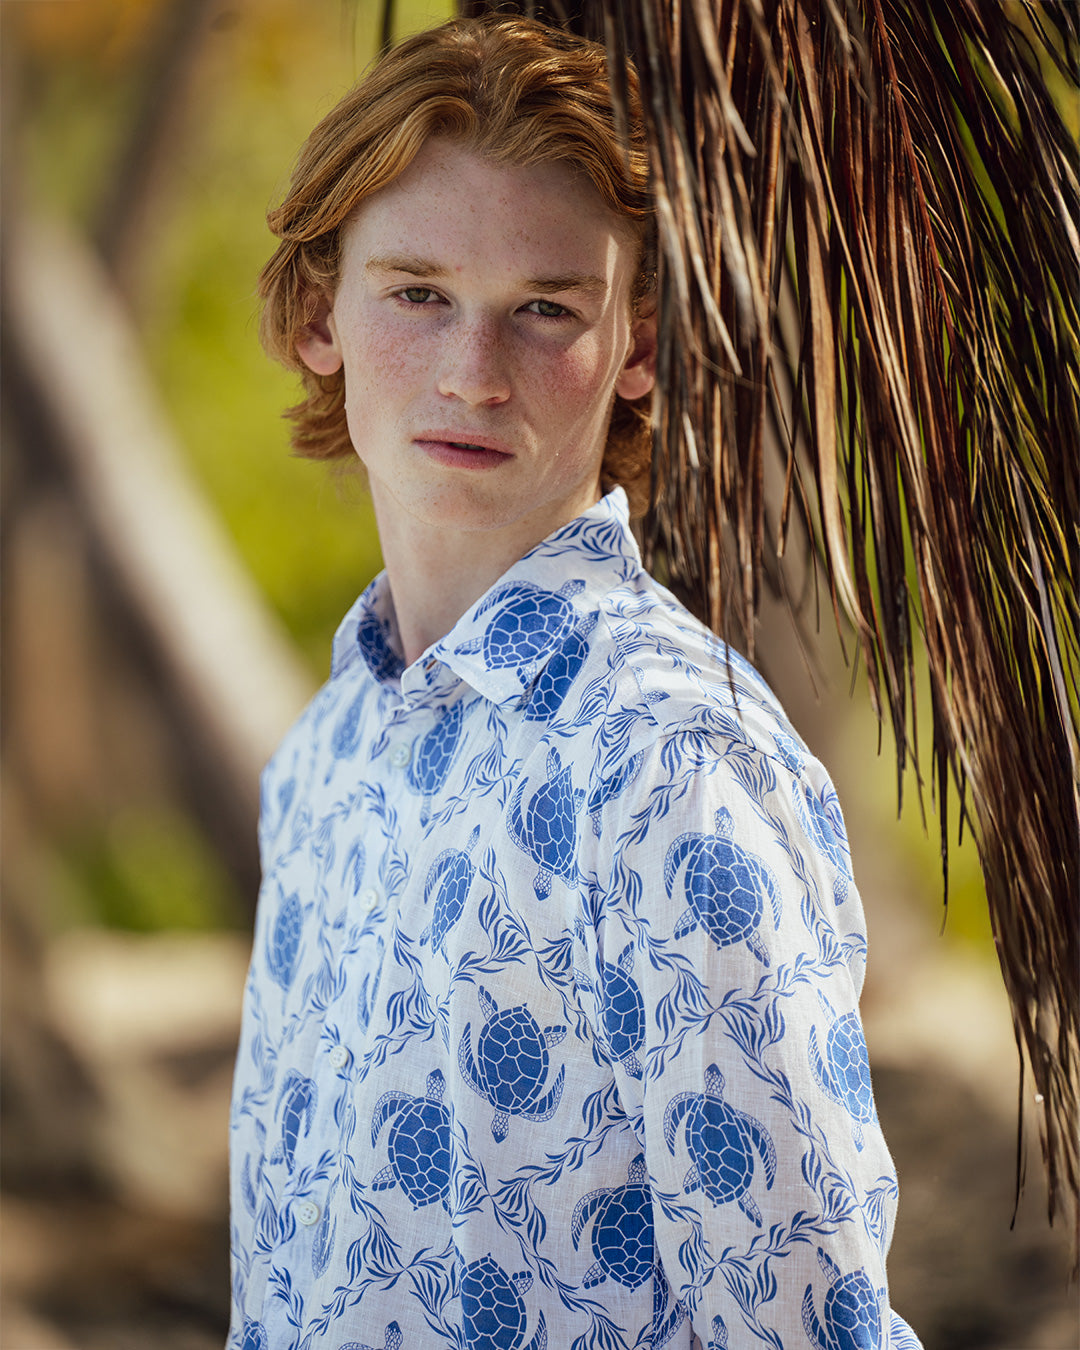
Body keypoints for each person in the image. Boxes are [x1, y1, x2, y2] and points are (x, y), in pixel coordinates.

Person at [229, 15, 922, 1349]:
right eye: (417, 292)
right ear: (321, 317)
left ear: (640, 346)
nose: (471, 373)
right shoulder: (321, 757)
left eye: (544, 309)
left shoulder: (671, 767)